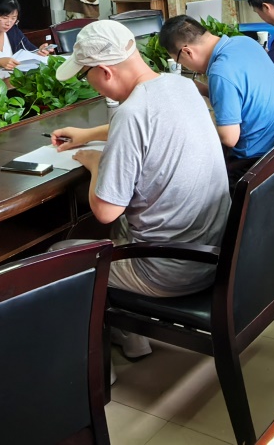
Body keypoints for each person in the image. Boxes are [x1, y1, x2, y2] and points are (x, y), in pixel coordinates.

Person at [49, 20, 231, 358]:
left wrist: (95, 163)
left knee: (59, 253)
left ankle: (91, 366)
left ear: (104, 71)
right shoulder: (182, 86)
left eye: (85, 76)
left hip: (170, 270)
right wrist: (88, 135)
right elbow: (151, 126)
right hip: (215, 252)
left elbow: (106, 211)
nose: (89, 84)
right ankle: (132, 338)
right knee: (124, 224)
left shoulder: (130, 114)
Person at [158, 15, 274, 180]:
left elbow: (229, 138)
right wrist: (201, 89)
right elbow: (241, 92)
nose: (183, 65)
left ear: (187, 52)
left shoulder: (220, 71)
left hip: (257, 164)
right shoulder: (245, 42)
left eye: (179, 61)